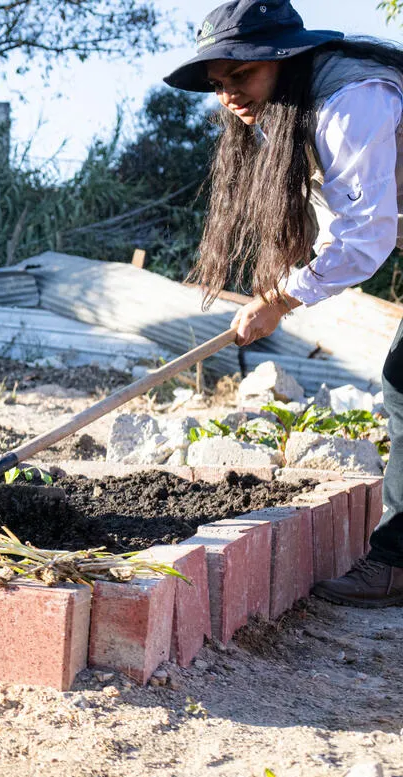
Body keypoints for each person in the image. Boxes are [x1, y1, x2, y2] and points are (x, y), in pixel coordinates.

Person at [165, 0, 403, 607]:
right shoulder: (290, 113)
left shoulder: (349, 102)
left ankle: (395, 564)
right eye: (219, 84)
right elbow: (342, 226)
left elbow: (364, 240)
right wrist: (282, 292)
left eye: (241, 75)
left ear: (284, 58)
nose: (229, 96)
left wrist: (280, 299)